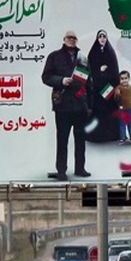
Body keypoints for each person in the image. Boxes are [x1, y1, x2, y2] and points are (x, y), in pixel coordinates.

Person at [41, 29, 92, 181]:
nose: (72, 40)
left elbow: (90, 82)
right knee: (62, 140)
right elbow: (46, 77)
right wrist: (61, 80)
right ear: (64, 39)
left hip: (80, 105)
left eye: (74, 38)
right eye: (69, 37)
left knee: (80, 140)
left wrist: (90, 105)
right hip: (63, 105)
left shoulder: (83, 58)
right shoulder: (54, 56)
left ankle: (80, 168)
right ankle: (61, 171)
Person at [86, 30, 121, 143]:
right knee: (97, 112)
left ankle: (111, 135)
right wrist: (99, 70)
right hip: (96, 89)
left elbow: (115, 71)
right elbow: (89, 70)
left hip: (108, 89)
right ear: (97, 38)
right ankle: (97, 136)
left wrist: (112, 84)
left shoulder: (110, 52)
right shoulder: (92, 53)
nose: (102, 38)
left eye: (104, 36)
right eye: (100, 36)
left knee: (109, 111)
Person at [113, 71, 131, 144]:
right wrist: (117, 94)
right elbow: (116, 98)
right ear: (119, 80)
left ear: (129, 79)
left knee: (130, 123)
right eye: (122, 78)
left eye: (125, 78)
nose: (124, 80)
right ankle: (123, 137)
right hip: (122, 109)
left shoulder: (130, 87)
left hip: (130, 108)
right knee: (122, 124)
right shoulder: (119, 88)